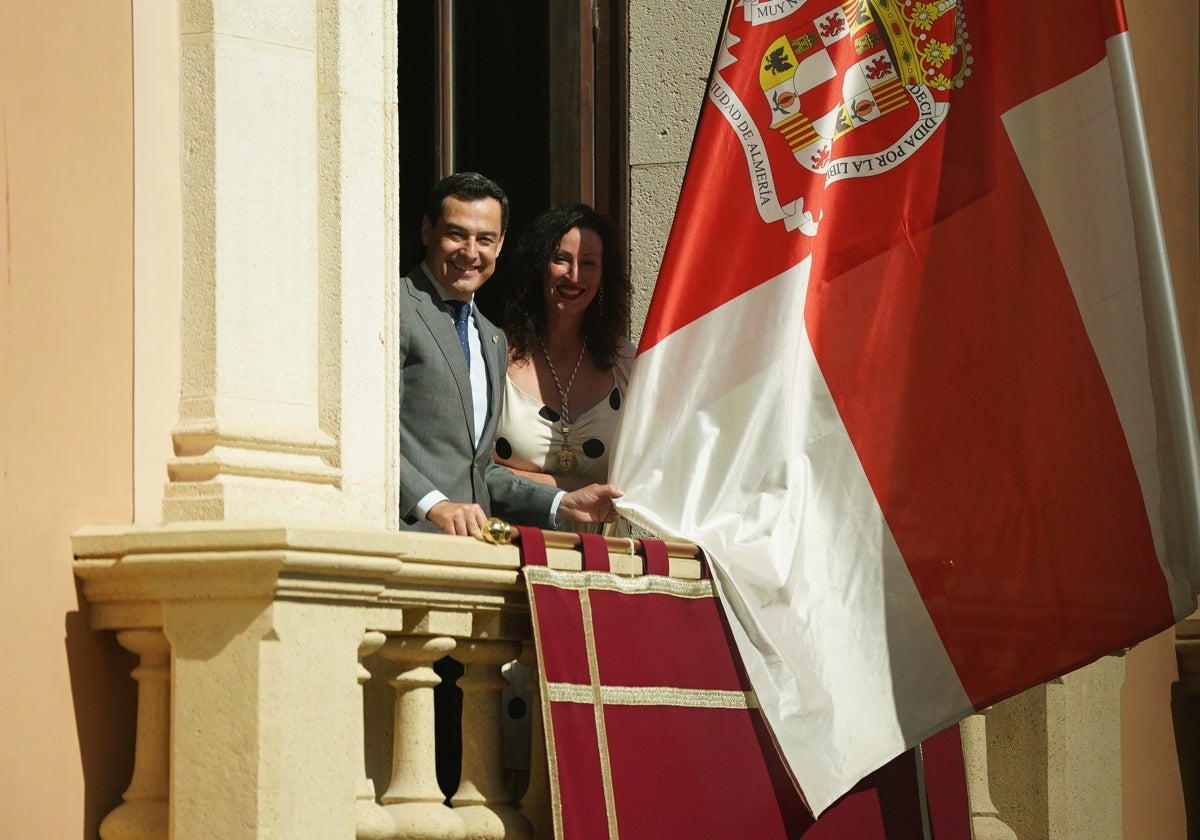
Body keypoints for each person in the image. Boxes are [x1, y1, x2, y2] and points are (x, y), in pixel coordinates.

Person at [398, 173, 622, 536]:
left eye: (485, 239)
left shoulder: (491, 339)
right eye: (456, 234)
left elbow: (479, 469)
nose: (471, 252)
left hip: (476, 555)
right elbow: (368, 436)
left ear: (500, 244)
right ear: (428, 231)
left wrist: (562, 502)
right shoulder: (396, 306)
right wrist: (433, 504)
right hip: (406, 545)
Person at [493, 204, 634, 534]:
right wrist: (570, 490)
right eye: (561, 259)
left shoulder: (626, 363)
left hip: (605, 566)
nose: (574, 276)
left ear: (603, 276)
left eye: (588, 263)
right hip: (514, 558)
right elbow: (472, 469)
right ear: (538, 267)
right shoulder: (495, 355)